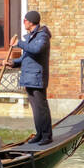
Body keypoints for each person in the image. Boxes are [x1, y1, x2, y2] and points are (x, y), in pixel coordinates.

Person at [10, 9, 52, 145]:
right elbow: (26, 57)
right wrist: (12, 63)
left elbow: (36, 49)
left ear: (31, 22)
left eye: (25, 20)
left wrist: (19, 44)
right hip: (28, 77)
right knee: (35, 109)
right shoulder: (30, 37)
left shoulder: (42, 36)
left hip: (37, 77)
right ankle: (39, 134)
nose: (24, 23)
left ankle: (47, 136)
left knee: (41, 108)